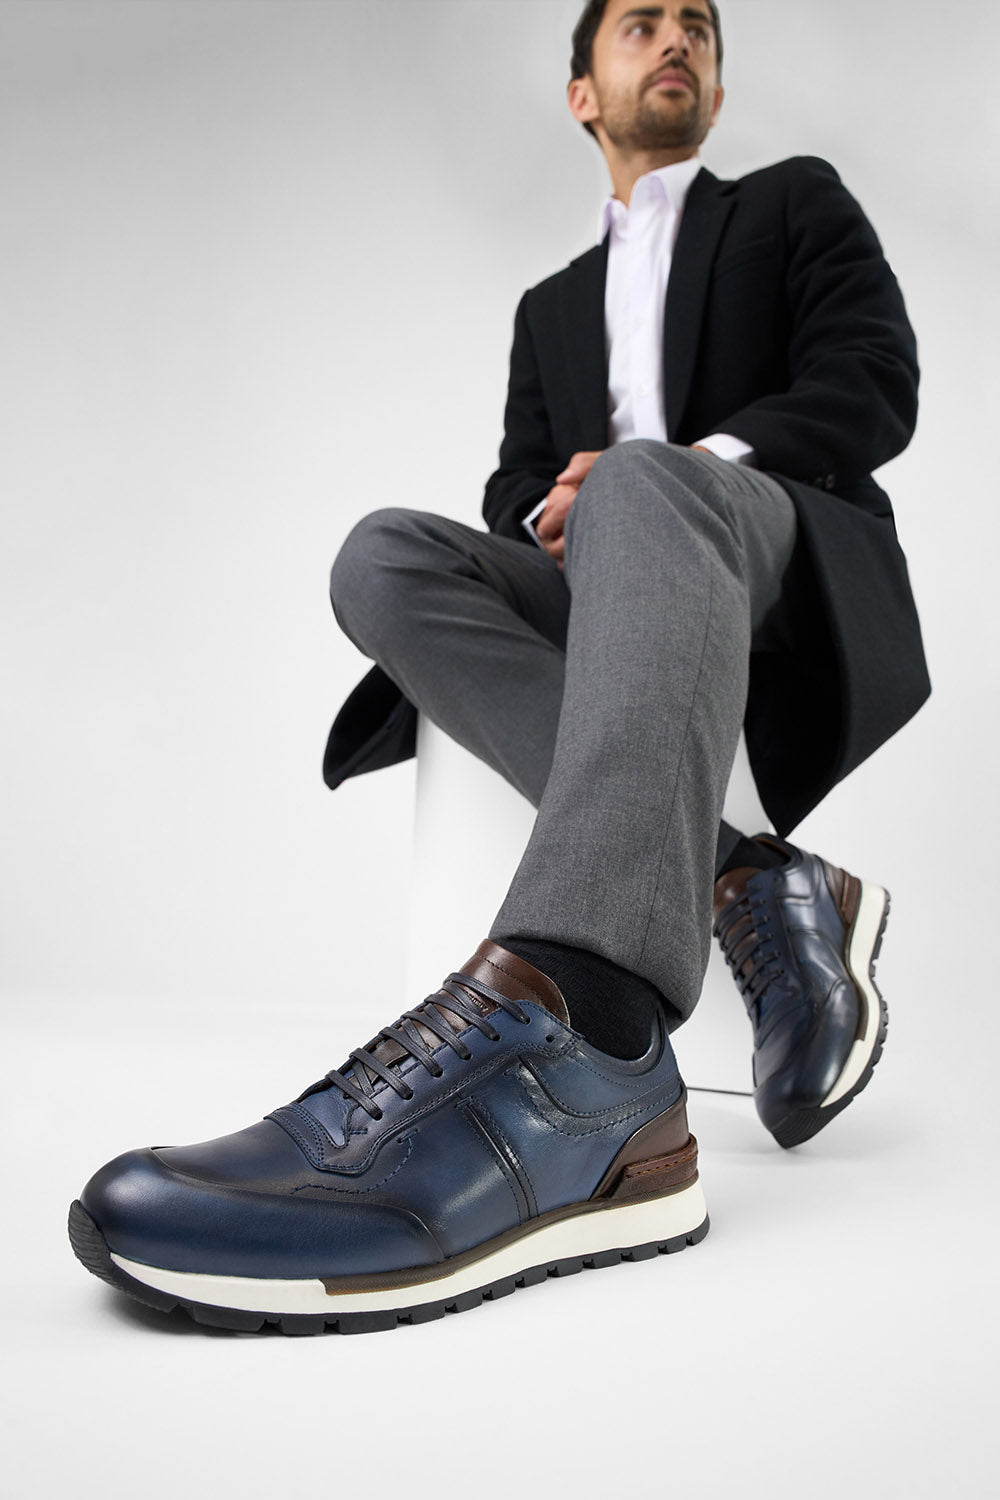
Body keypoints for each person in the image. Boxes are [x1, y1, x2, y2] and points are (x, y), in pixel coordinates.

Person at [69, 0, 928, 1335]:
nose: (676, 39)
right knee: (382, 556)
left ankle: (586, 1030)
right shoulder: (550, 309)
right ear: (584, 92)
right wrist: (556, 510)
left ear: (713, 82)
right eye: (641, 24)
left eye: (696, 26)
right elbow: (516, 485)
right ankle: (744, 877)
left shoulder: (791, 205)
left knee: (644, 482)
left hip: (770, 547)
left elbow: (873, 381)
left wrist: (668, 469)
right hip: (612, 578)